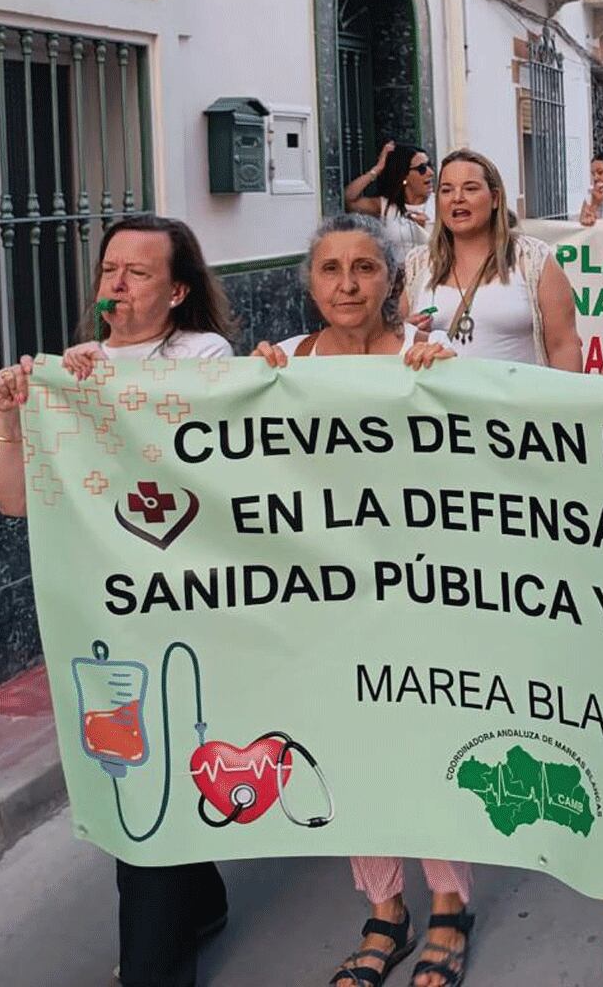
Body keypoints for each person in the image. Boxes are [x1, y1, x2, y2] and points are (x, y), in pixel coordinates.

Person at [0, 214, 239, 987]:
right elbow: (13, 501)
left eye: (137, 273)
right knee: (135, 763)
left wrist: (106, 389)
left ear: (178, 290)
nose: (118, 286)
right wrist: (11, 411)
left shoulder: (204, 354)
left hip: (192, 602)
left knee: (157, 764)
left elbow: (198, 447)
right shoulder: (75, 367)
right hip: (109, 614)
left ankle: (156, 966)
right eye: (108, 271)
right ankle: (198, 900)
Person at [254, 215, 470, 987]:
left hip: (416, 599)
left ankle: (449, 901)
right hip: (324, 602)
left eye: (363, 269)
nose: (346, 285)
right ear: (310, 284)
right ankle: (386, 908)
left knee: (420, 744)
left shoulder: (425, 363)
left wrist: (446, 380)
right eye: (329, 270)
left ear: (391, 280)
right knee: (347, 747)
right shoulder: (282, 367)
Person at [408, 149, 583, 371]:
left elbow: (563, 346)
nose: (457, 198)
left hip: (519, 403)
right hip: (441, 405)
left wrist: (564, 404)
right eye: (446, 190)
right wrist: (409, 333)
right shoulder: (418, 264)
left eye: (470, 188)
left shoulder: (533, 259)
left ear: (495, 198)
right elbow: (394, 339)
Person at [345, 141, 434, 250]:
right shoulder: (387, 206)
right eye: (422, 168)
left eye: (429, 165)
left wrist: (425, 228)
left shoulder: (439, 203)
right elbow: (350, 199)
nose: (430, 172)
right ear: (404, 175)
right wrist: (377, 169)